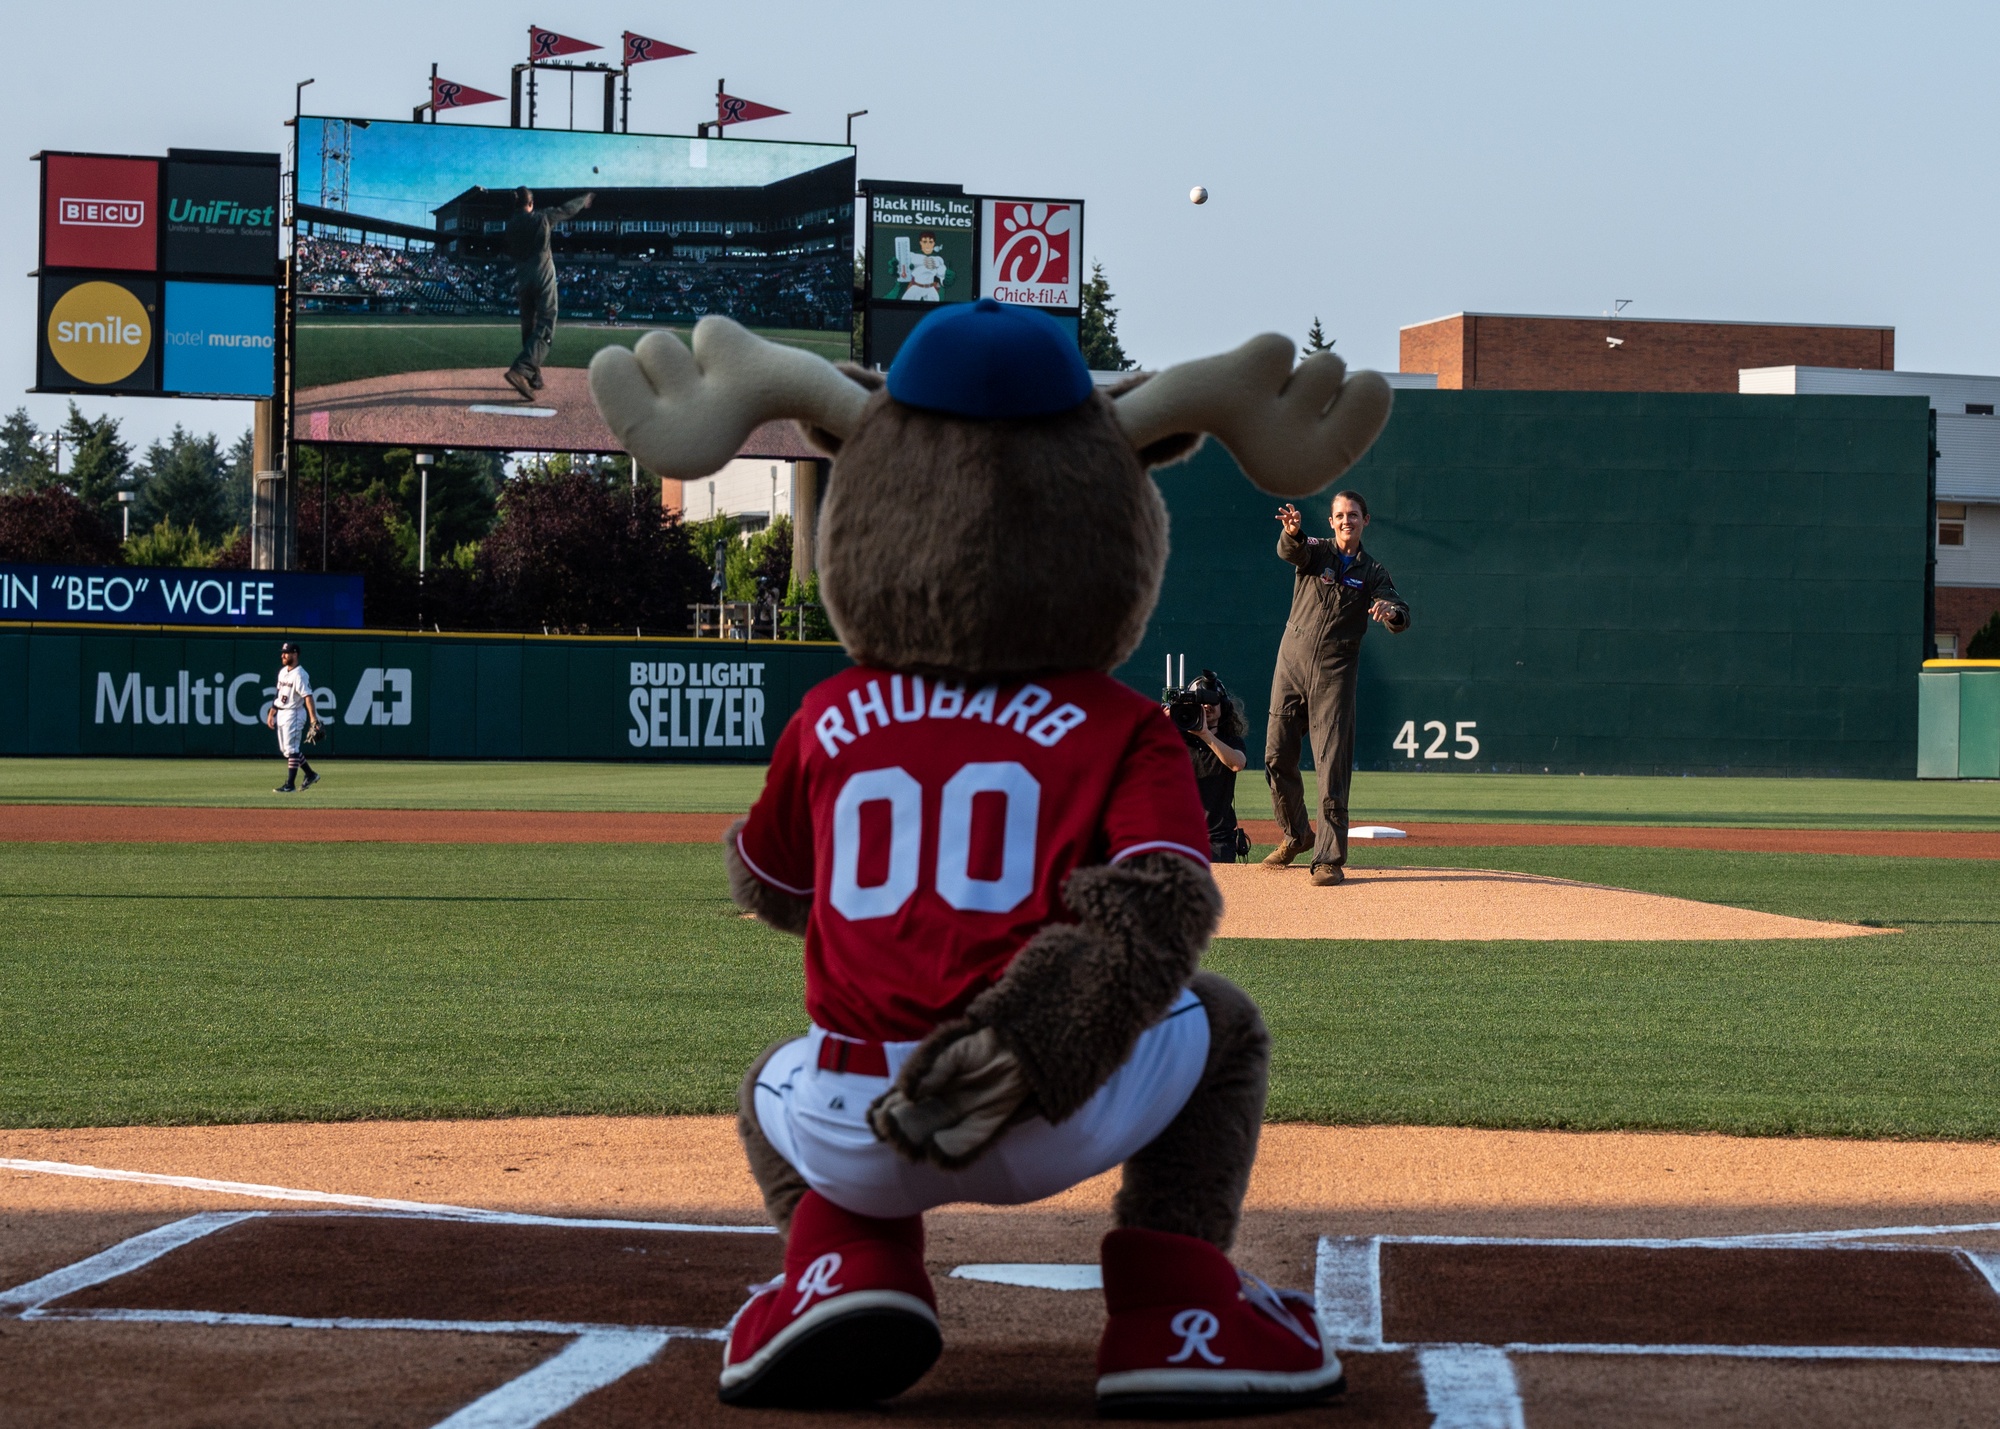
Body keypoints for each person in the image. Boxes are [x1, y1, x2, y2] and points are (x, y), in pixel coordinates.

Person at [1265, 490, 1409, 886]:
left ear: (1366, 520)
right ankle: (1297, 835)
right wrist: (1293, 533)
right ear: (1331, 522)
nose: (1347, 520)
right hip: (1291, 662)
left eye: (1354, 515)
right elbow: (1291, 552)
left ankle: (1328, 859)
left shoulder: (1373, 571)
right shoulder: (1318, 550)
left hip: (1335, 671)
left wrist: (1390, 612)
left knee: (1332, 768)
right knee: (1276, 757)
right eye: (1340, 515)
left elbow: (1400, 613)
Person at [502, 186, 595, 401]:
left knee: (529, 327)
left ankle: (534, 378)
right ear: (531, 204)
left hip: (522, 279)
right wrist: (584, 198)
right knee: (546, 323)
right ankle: (522, 369)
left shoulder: (511, 226)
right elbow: (566, 209)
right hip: (542, 275)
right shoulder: (541, 218)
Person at [1167, 670, 1250, 862]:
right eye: (1200, 702)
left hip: (1218, 840)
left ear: (1224, 705)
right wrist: (1158, 725)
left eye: (1212, 701)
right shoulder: (1174, 742)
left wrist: (1204, 733)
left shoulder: (1230, 741)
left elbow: (1237, 764)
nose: (1206, 706)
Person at [266, 641, 323, 794]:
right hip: (282, 712)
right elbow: (278, 693)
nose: (283, 655)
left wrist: (313, 720)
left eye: (287, 652)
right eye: (283, 652)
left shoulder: (300, 675)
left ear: (295, 654)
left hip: (294, 713)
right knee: (287, 750)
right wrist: (273, 710)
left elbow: (308, 697)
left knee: (292, 749)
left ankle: (290, 785)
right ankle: (310, 774)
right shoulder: (283, 672)